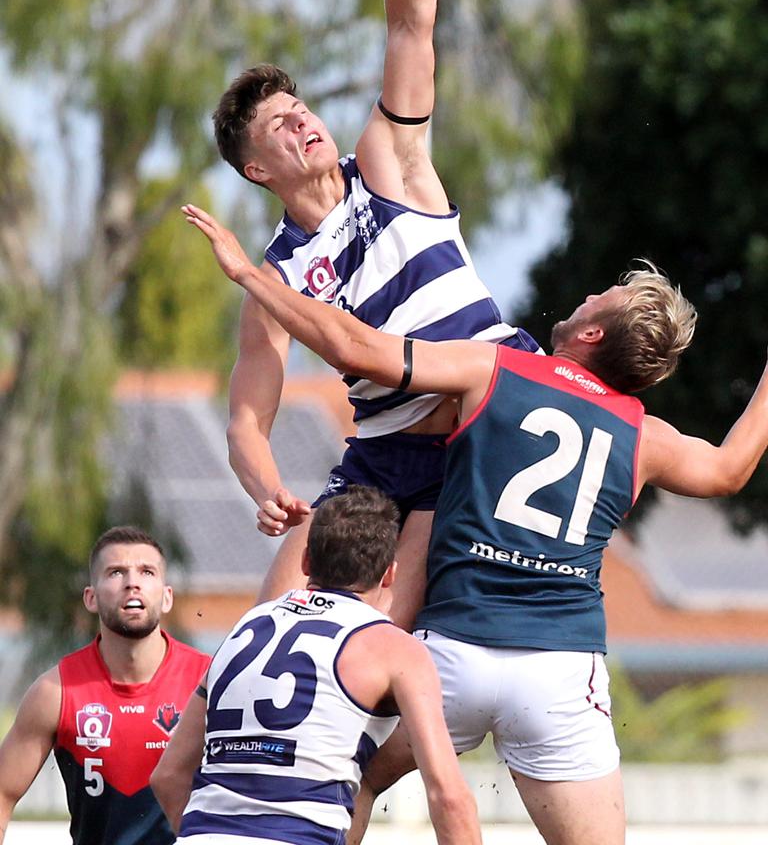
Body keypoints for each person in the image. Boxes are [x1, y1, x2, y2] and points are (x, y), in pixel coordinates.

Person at [181, 205, 768, 845]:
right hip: (557, 668)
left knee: (362, 783)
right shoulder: (642, 433)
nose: (591, 292)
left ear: (593, 334)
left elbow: (356, 348)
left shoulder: (496, 367)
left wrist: (252, 276)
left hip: (454, 653)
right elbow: (731, 469)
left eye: (603, 296)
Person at [213, 0, 540, 627]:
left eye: (300, 109)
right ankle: (207, 751)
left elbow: (408, 25)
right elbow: (248, 420)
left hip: (482, 405)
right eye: (278, 130)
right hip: (387, 452)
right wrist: (268, 492)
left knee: (393, 631)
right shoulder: (277, 278)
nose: (301, 125)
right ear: (259, 171)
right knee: (275, 614)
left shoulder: (388, 163)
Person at [150, 488, 481, 845]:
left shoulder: (245, 628)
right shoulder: (393, 647)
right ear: (389, 574)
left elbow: (168, 776)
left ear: (306, 562)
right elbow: (449, 797)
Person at [0, 526, 210, 845]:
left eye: (147, 571)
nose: (132, 582)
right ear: (91, 598)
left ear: (167, 597)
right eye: (116, 572)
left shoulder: (210, 680)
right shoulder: (56, 691)